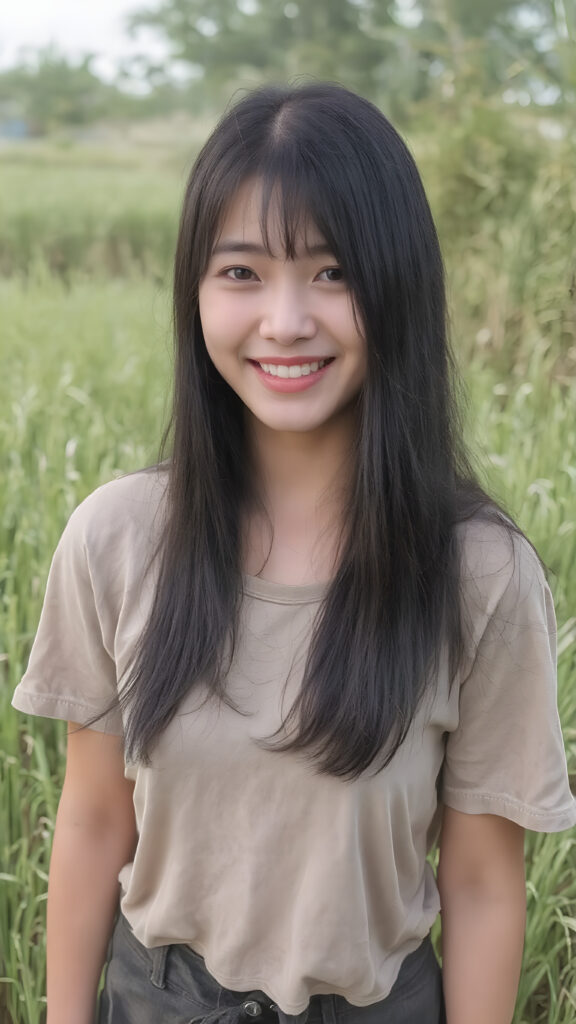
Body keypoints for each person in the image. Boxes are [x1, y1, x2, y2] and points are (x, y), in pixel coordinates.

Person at [12, 82, 576, 1024]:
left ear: (398, 286)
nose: (284, 321)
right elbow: (94, 821)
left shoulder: (478, 575)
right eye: (241, 273)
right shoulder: (114, 538)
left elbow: (481, 883)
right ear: (195, 290)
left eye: (330, 272)